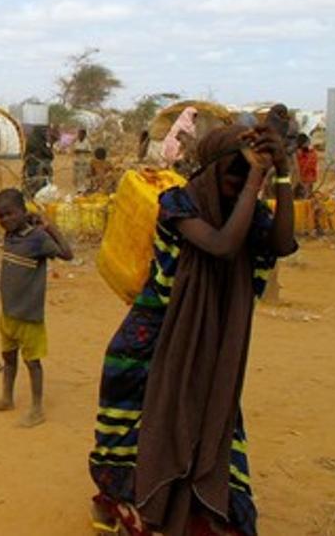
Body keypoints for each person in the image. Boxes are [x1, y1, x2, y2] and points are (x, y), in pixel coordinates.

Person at [88, 125, 297, 536]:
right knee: (128, 429)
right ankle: (125, 504)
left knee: (212, 420)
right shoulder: (179, 202)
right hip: (148, 343)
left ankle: (195, 509)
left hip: (211, 348)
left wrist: (284, 173)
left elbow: (282, 242)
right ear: (213, 166)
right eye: (234, 170)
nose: (239, 179)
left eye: (248, 171)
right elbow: (220, 245)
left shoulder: (249, 213)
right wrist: (256, 179)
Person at [0, 188, 73, 428]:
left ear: (22, 212)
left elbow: (67, 254)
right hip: (9, 314)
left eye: (10, 214)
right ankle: (7, 398)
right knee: (8, 358)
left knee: (32, 362)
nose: (5, 220)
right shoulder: (10, 236)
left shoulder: (38, 239)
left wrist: (49, 226)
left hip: (29, 316)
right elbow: (17, 221)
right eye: (1, 216)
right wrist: (27, 217)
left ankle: (36, 408)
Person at [161, 106, 198, 171]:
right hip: (175, 144)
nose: (194, 118)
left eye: (195, 116)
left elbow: (193, 138)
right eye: (193, 116)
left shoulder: (192, 126)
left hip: (185, 147)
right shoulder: (179, 124)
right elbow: (173, 136)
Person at [23, 126, 54, 197]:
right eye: (44, 131)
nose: (46, 133)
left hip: (31, 166)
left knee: (31, 183)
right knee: (38, 184)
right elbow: (49, 155)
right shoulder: (38, 141)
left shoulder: (32, 139)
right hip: (37, 167)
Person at [296, 134, 318, 198]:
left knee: (306, 196)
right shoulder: (296, 154)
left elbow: (310, 167)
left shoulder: (312, 153)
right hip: (298, 179)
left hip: (307, 179)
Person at [73, 129, 92, 194]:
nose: (79, 135)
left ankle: (83, 189)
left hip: (84, 161)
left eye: (80, 134)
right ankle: (79, 189)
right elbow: (74, 150)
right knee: (77, 176)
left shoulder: (87, 142)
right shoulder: (76, 142)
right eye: (78, 134)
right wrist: (76, 151)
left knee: (83, 175)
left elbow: (89, 151)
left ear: (84, 135)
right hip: (77, 161)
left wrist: (81, 151)